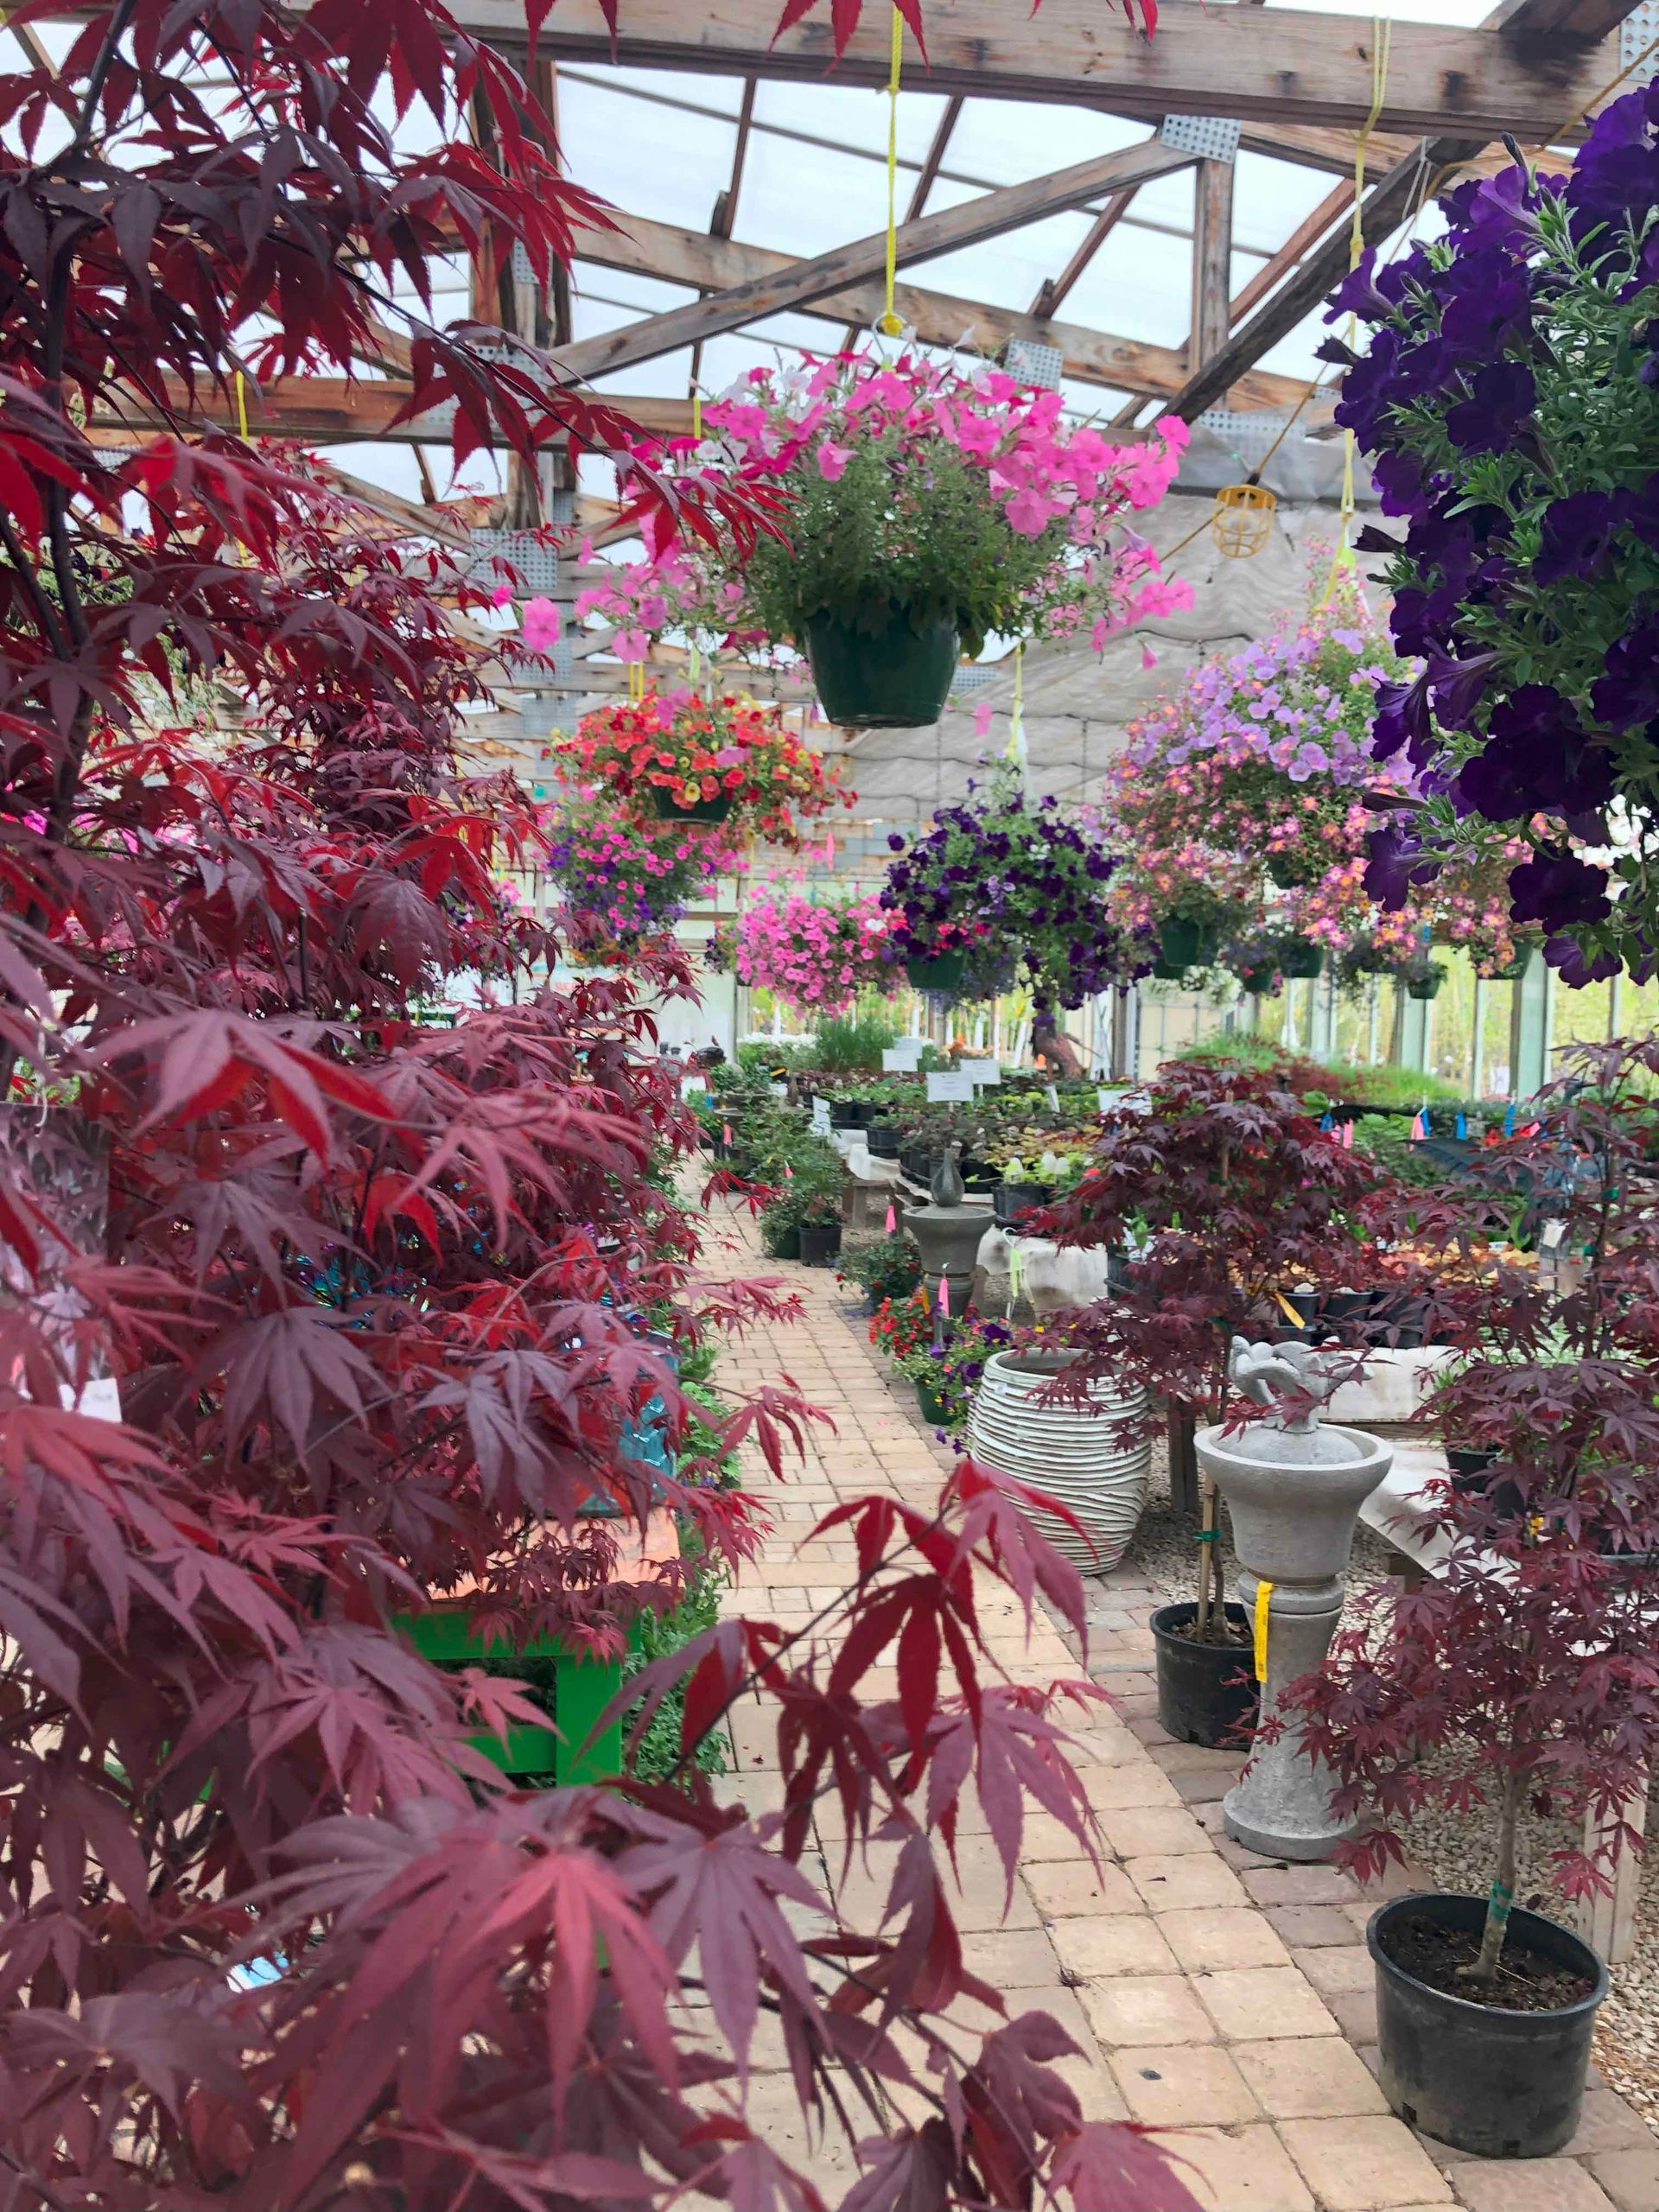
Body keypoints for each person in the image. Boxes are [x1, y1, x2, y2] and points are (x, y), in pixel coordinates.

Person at [1031, 1014, 1084, 1080]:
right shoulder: (1045, 1042)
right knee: (1069, 1069)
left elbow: (1049, 1058)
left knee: (1070, 1070)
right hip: (1068, 1064)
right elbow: (1049, 1058)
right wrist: (1050, 1076)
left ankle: (1071, 1076)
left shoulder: (1052, 1038)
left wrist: (1074, 1039)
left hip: (1068, 1065)